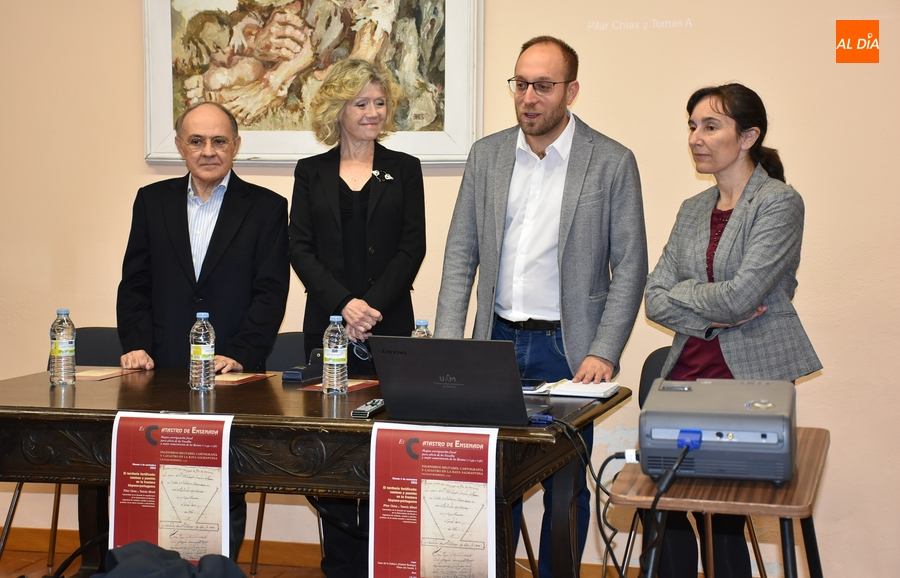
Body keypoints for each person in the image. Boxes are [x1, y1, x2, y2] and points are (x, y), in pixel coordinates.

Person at [434, 36, 648, 577]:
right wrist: (447, 341)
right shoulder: (487, 155)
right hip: (495, 342)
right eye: (521, 84)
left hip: (568, 351)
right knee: (488, 480)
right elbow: (460, 255)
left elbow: (631, 267)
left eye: (544, 86)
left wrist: (604, 350)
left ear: (571, 90)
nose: (529, 97)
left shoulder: (611, 161)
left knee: (567, 488)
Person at [644, 83, 822, 578]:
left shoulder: (779, 202)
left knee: (723, 519)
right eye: (692, 126)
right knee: (667, 511)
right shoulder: (691, 209)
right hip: (687, 374)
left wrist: (700, 298)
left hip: (750, 383)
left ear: (748, 137)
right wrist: (714, 306)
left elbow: (742, 297)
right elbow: (654, 298)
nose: (696, 138)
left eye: (710, 126)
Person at [116, 101, 290, 561]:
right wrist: (134, 344)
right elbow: (134, 281)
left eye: (219, 141)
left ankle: (218, 569)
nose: (208, 151)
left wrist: (242, 352)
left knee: (222, 482)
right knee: (155, 479)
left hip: (229, 370)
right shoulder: (151, 201)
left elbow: (271, 291)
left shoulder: (268, 207)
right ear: (179, 146)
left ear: (235, 146)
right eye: (197, 141)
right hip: (160, 368)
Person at [288, 58, 426, 577]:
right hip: (327, 326)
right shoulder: (310, 171)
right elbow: (300, 247)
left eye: (378, 102)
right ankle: (341, 565)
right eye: (360, 103)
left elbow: (413, 247)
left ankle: (389, 561)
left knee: (390, 447)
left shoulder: (405, 167)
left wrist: (370, 310)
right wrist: (343, 304)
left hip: (388, 328)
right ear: (337, 108)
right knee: (333, 449)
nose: (372, 112)